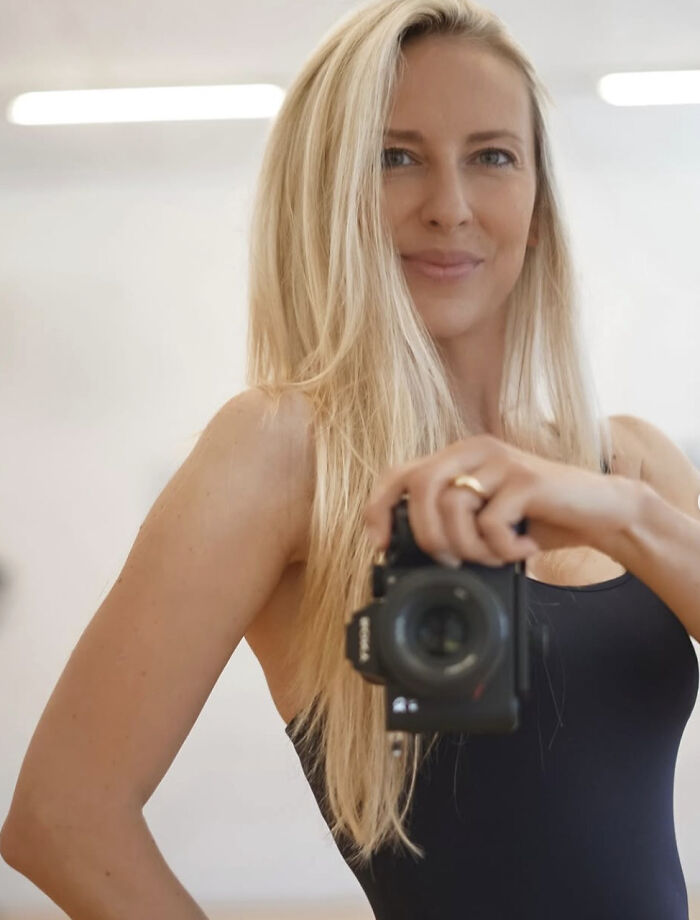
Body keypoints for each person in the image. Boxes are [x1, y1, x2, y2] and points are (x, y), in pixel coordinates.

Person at [2, 0, 699, 917]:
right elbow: (62, 815)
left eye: (492, 156)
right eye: (394, 156)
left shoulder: (628, 460)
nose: (449, 206)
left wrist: (628, 513)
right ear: (329, 195)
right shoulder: (285, 451)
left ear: (537, 208)